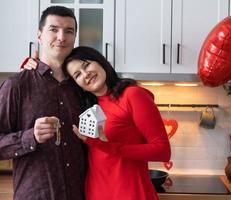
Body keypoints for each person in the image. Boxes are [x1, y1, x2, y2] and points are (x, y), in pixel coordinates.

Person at [62, 46, 171, 200]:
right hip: (95, 193)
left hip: (131, 194)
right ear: (77, 84)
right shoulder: (86, 108)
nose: (86, 74)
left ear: (100, 62)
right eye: (78, 75)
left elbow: (162, 151)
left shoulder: (132, 95)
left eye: (87, 65)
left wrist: (108, 146)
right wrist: (31, 67)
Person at [0, 6, 87, 200]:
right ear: (39, 36)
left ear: (74, 38)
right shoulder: (16, 86)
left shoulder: (82, 86)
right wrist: (30, 137)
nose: (61, 37)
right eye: (53, 29)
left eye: (69, 31)